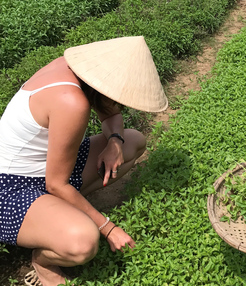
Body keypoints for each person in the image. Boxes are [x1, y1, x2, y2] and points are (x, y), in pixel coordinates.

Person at [0, 36, 168, 286]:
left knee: (132, 141)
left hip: (48, 169)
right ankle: (44, 261)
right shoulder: (71, 101)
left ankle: (62, 210)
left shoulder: (76, 72)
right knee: (83, 243)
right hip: (10, 188)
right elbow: (56, 183)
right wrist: (108, 227)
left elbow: (111, 114)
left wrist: (114, 141)